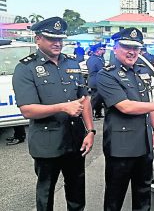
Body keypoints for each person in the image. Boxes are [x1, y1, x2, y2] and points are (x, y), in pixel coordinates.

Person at [12, 17, 94, 211]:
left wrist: (90, 131)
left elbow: (85, 100)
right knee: (46, 193)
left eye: (60, 39)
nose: (57, 43)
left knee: (76, 192)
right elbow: (27, 109)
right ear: (38, 39)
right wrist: (62, 107)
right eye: (51, 38)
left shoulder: (72, 64)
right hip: (47, 143)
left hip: (75, 141)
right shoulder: (26, 68)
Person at [96, 27, 154, 211]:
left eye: (136, 48)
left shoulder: (141, 71)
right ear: (115, 48)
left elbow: (148, 99)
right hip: (121, 147)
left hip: (144, 144)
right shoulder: (106, 74)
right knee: (115, 197)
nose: (132, 52)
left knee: (143, 195)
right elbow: (125, 106)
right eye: (126, 46)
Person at [87, 42, 106, 120]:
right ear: (98, 50)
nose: (103, 51)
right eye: (102, 49)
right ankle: (89, 115)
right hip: (96, 81)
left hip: (96, 80)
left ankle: (98, 113)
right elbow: (100, 70)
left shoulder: (95, 58)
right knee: (95, 99)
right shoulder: (95, 59)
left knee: (99, 98)